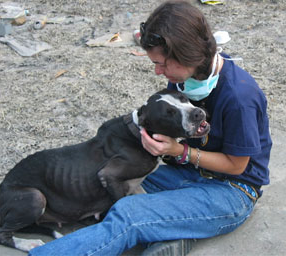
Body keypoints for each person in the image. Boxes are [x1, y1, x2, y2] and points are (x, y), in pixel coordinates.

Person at [29, 1, 272, 255]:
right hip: (187, 175)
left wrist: (180, 151)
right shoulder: (181, 83)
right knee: (108, 188)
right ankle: (172, 233)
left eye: (163, 64)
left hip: (232, 191)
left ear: (186, 53)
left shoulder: (239, 96)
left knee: (129, 214)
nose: (158, 72)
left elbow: (237, 166)